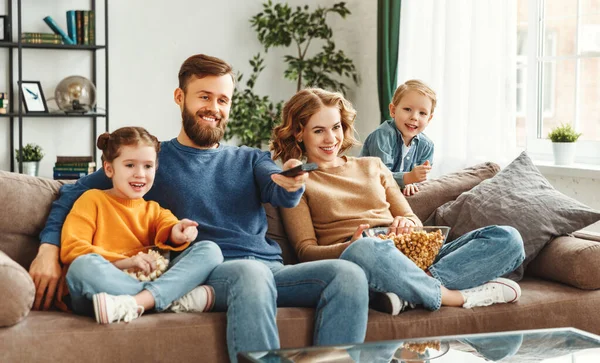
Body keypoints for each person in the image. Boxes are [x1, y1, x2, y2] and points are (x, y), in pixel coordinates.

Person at [29, 54, 369, 362]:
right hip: (212, 274)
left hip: (272, 272)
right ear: (181, 98)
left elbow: (278, 187)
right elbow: (72, 193)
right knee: (250, 275)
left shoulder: (252, 159)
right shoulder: (151, 160)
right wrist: (48, 249)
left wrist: (291, 183)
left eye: (223, 99)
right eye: (204, 97)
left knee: (348, 275)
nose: (214, 107)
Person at [270, 88, 526, 316]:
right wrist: (350, 244)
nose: (331, 139)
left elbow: (412, 220)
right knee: (366, 249)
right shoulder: (296, 183)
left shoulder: (373, 166)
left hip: (410, 255)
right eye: (319, 131)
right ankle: (454, 297)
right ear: (299, 133)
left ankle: (409, 291)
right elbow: (305, 252)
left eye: (336, 127)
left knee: (508, 238)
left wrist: (405, 221)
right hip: (362, 259)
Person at [60, 126, 222, 323]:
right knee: (82, 267)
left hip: (143, 282)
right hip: (101, 289)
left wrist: (178, 232)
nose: (140, 174)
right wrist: (126, 262)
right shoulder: (92, 200)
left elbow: (168, 225)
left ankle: (139, 303)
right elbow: (72, 248)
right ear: (109, 169)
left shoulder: (153, 209)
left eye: (148, 166)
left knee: (210, 250)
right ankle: (172, 300)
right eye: (130, 165)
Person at [360, 79, 436, 196]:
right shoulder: (382, 136)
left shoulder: (427, 146)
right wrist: (408, 178)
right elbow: (380, 177)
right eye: (407, 109)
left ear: (429, 119)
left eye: (422, 113)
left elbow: (419, 180)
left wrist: (412, 182)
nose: (414, 117)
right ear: (393, 110)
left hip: (393, 193)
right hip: (366, 190)